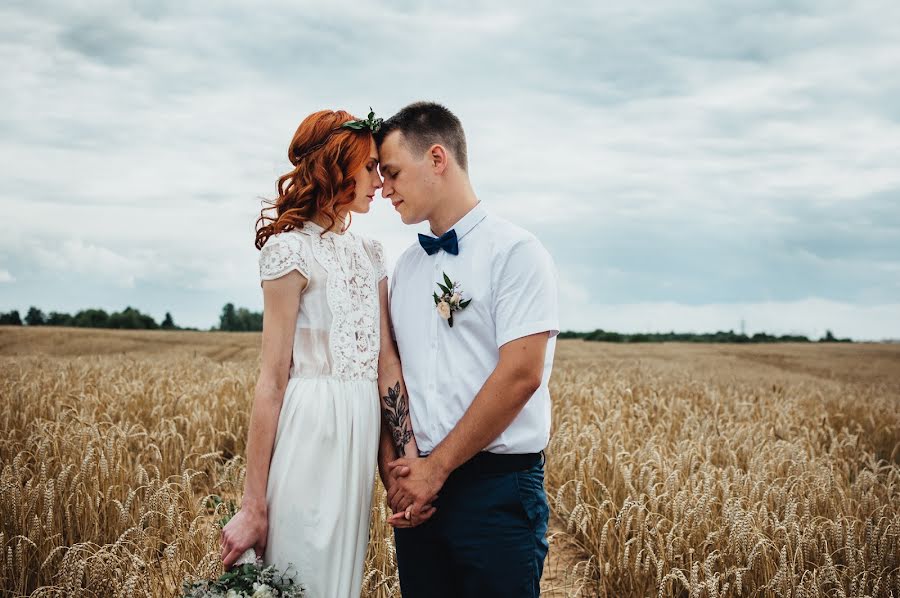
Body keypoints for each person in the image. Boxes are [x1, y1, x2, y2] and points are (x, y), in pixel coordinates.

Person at [218, 108, 420, 598]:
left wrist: (406, 464)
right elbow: (272, 380)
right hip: (308, 432)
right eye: (370, 166)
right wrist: (252, 505)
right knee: (298, 575)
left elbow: (386, 363)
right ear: (336, 165)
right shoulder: (289, 251)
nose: (379, 179)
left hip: (358, 435)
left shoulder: (371, 253)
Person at [376, 101, 560, 597]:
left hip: (496, 492)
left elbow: (522, 374)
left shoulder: (516, 253)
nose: (383, 190)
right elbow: (392, 374)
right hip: (420, 496)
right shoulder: (404, 270)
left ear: (437, 158)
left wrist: (437, 469)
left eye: (391, 173)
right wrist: (398, 475)